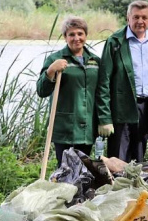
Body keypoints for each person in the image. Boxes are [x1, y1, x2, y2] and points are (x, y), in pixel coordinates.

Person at [96, 0, 148, 163]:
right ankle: (116, 188)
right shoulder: (115, 42)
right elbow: (104, 82)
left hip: (146, 109)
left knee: (138, 160)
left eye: (144, 17)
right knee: (118, 161)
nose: (140, 21)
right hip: (121, 109)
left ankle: (136, 188)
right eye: (136, 17)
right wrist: (104, 118)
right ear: (128, 18)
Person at [36, 16, 100, 168]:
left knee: (85, 169)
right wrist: (51, 70)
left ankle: (81, 192)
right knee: (65, 169)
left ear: (86, 35)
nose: (76, 38)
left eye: (80, 34)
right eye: (71, 34)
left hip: (88, 128)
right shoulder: (55, 58)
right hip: (66, 128)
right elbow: (41, 90)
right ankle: (64, 192)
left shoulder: (95, 61)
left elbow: (102, 93)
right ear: (65, 37)